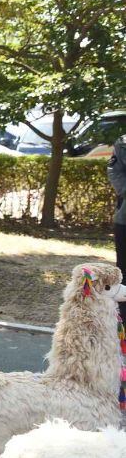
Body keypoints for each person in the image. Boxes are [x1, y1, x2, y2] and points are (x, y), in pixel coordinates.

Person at [108, 134, 126, 320]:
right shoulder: (123, 142)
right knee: (124, 272)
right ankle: (123, 323)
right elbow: (115, 171)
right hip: (125, 220)